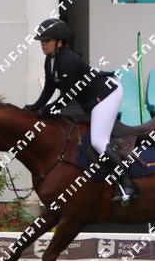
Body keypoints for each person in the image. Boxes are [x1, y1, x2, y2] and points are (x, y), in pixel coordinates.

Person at [24, 18, 138, 204]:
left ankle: (127, 184)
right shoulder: (50, 60)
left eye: (47, 40)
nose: (42, 44)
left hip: (107, 93)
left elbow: (68, 96)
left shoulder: (68, 60)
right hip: (93, 96)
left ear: (60, 42)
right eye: (41, 41)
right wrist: (33, 107)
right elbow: (49, 89)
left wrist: (49, 109)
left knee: (98, 141)